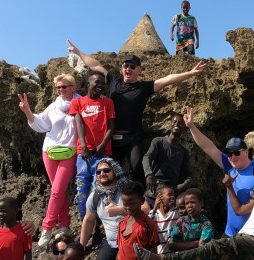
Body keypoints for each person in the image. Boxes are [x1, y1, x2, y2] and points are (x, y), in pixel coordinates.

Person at [66, 39, 206, 182]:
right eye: (126, 66)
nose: (128, 69)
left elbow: (167, 80)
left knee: (137, 167)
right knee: (110, 171)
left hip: (133, 137)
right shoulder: (114, 81)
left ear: (139, 70)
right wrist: (77, 51)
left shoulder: (144, 87)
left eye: (132, 67)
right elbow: (95, 65)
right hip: (113, 137)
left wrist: (191, 73)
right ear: (122, 69)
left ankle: (136, 200)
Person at [182, 106, 254, 236]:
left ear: (246, 152)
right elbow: (209, 147)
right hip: (230, 232)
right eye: (229, 154)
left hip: (253, 234)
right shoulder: (229, 167)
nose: (233, 157)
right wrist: (192, 127)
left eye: (236, 152)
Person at [19, 74, 80, 247]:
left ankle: (47, 227)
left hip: (70, 152)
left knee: (57, 190)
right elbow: (40, 124)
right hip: (49, 151)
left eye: (65, 86)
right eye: (58, 87)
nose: (61, 90)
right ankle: (65, 226)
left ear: (73, 88)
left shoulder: (81, 103)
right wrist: (27, 111)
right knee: (58, 191)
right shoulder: (54, 107)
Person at [70, 71, 115, 219]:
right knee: (82, 189)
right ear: (88, 83)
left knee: (100, 189)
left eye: (103, 83)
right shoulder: (77, 102)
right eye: (97, 82)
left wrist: (102, 146)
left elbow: (111, 127)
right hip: (84, 153)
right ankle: (85, 222)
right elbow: (79, 123)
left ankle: (100, 225)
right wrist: (84, 146)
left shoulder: (107, 102)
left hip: (102, 153)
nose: (100, 85)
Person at [143, 113, 192, 201]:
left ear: (184, 127)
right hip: (156, 186)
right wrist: (149, 174)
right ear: (170, 124)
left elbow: (188, 175)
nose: (176, 124)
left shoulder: (184, 151)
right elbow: (147, 157)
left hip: (173, 190)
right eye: (174, 122)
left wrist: (184, 184)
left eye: (180, 123)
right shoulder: (158, 142)